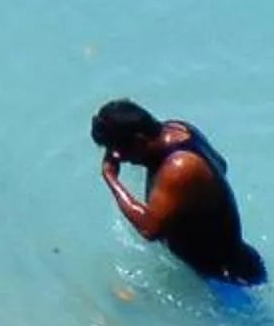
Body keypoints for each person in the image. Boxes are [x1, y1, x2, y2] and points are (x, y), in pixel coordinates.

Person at [94, 99, 267, 286]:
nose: (116, 157)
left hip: (224, 277)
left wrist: (111, 178)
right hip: (236, 258)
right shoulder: (179, 129)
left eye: (117, 149)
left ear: (140, 140)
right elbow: (221, 165)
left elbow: (149, 229)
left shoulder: (178, 169)